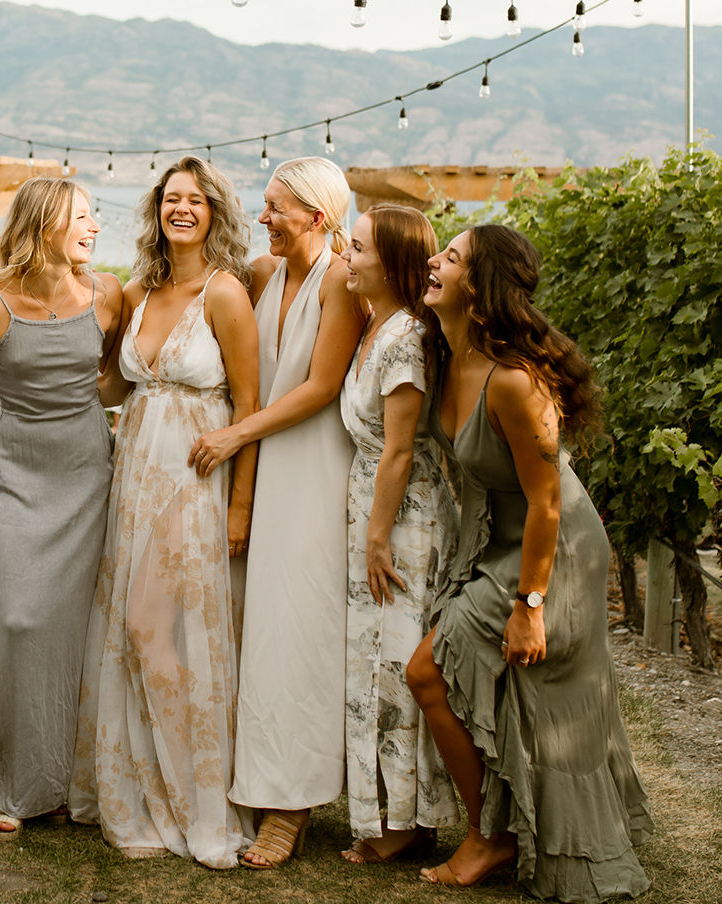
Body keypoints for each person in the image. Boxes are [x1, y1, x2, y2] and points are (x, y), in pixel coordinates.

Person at [407, 224, 652, 899]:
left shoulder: (514, 382)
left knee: (427, 670)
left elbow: (546, 503)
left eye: (451, 256)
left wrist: (530, 607)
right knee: (461, 677)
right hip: (499, 540)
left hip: (556, 550)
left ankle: (489, 838)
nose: (433, 259)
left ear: (478, 287)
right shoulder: (444, 353)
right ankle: (501, 829)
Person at [69, 156, 260, 869]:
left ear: (214, 213)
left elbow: (250, 406)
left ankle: (197, 801)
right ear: (156, 210)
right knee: (133, 630)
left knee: (157, 630)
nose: (182, 208)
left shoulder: (225, 294)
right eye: (171, 198)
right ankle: (138, 788)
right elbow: (112, 387)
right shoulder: (137, 291)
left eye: (196, 200)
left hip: (195, 479)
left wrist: (240, 507)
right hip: (135, 475)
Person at [186, 157, 364, 868]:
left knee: (297, 634)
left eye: (274, 207)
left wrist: (235, 434)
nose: (262, 218)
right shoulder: (263, 274)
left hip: (313, 470)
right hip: (261, 469)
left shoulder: (341, 280)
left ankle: (290, 807)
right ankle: (253, 781)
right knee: (252, 630)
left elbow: (320, 386)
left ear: (317, 217)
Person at [0, 178, 121, 841]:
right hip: (19, 471)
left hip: (87, 471)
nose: (93, 227)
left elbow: (116, 376)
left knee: (73, 629)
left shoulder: (108, 294)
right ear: (45, 225)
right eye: (81, 216)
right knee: (15, 619)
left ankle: (63, 781)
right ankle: (9, 779)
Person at [339, 204, 459, 865]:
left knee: (395, 663)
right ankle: (386, 808)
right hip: (374, 510)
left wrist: (377, 538)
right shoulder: (374, 324)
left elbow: (399, 449)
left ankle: (409, 820)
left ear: (391, 263)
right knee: (372, 660)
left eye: (358, 248)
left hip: (405, 521)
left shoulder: (407, 338)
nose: (347, 257)